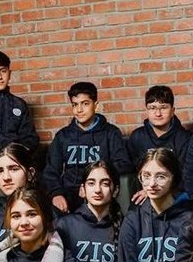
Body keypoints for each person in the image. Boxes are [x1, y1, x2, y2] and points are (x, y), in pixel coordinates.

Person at [42, 82, 133, 214]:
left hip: (99, 190)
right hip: (70, 193)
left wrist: (96, 178)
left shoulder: (110, 133)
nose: (79, 110)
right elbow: (51, 171)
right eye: (75, 105)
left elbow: (124, 163)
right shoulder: (63, 136)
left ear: (95, 105)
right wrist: (56, 194)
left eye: (85, 104)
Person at [128, 85, 192, 198]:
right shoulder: (137, 137)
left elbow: (186, 175)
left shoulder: (185, 138)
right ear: (146, 110)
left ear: (172, 111)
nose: (158, 113)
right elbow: (134, 173)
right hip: (147, 192)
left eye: (163, 108)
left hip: (177, 193)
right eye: (152, 108)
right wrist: (148, 189)